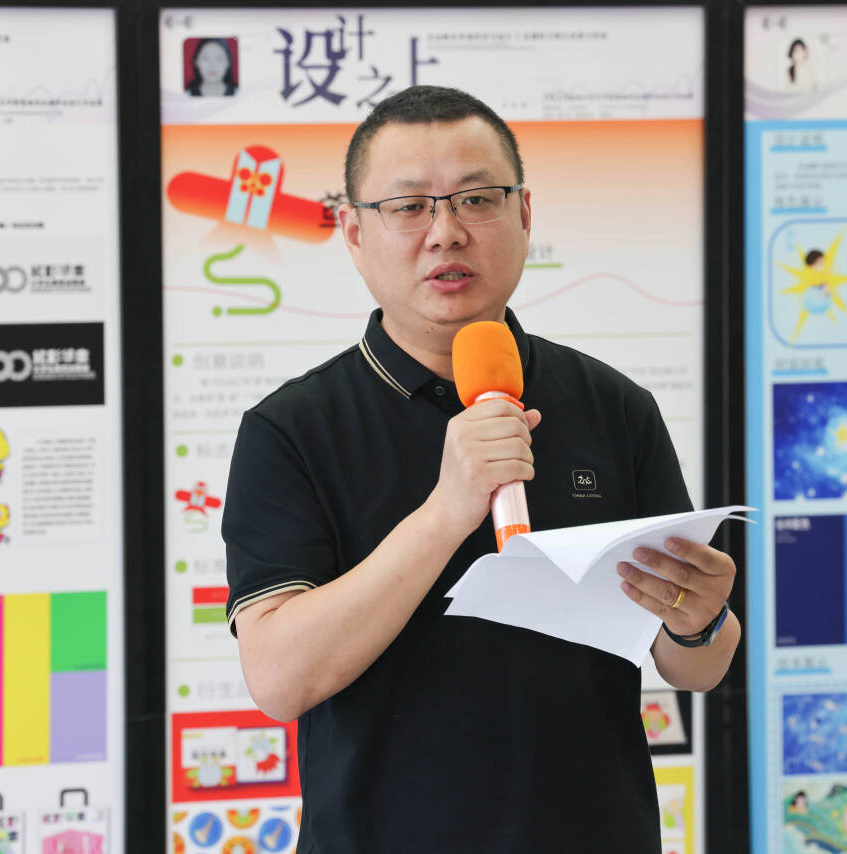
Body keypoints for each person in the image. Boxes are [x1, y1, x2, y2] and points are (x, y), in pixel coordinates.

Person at [222, 85, 740, 852]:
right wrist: (446, 511)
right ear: (354, 233)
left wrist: (699, 621)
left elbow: (695, 666)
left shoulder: (615, 405)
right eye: (409, 207)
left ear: (524, 214)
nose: (446, 233)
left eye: (476, 199)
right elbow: (279, 680)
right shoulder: (293, 429)